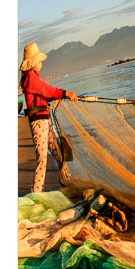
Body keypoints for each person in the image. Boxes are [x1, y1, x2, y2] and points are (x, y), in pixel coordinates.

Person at [19, 42, 78, 194]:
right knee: (42, 160)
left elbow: (43, 95)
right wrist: (66, 93)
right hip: (39, 122)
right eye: (38, 61)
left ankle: (68, 182)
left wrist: (56, 98)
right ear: (32, 64)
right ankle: (35, 195)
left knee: (59, 152)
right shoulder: (31, 79)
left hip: (45, 120)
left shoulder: (34, 77)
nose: (40, 64)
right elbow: (47, 90)